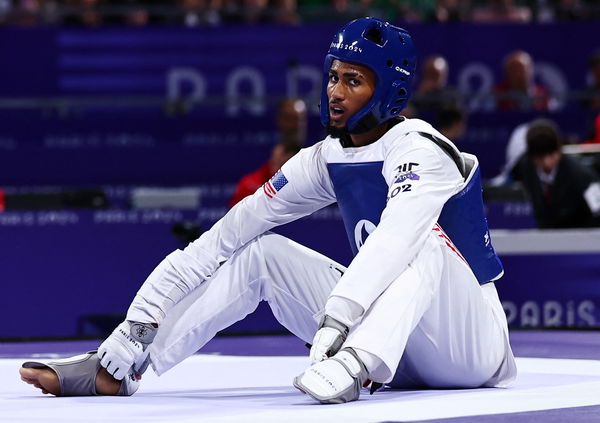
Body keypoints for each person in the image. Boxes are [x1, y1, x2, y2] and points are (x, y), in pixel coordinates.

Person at [20, 17, 516, 404]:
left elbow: (393, 241)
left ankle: (355, 366)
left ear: (391, 90)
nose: (336, 92)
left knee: (421, 238)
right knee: (262, 253)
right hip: (397, 348)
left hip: (467, 349)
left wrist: (335, 324)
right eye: (334, 77)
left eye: (354, 81)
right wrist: (135, 326)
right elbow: (228, 234)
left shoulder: (422, 148)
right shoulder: (326, 156)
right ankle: (120, 372)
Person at [513, 118, 600, 228]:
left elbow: (598, 210)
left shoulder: (582, 175)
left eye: (551, 154)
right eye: (540, 157)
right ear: (533, 157)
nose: (546, 161)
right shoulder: (526, 168)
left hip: (579, 235)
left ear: (558, 151)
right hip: (546, 236)